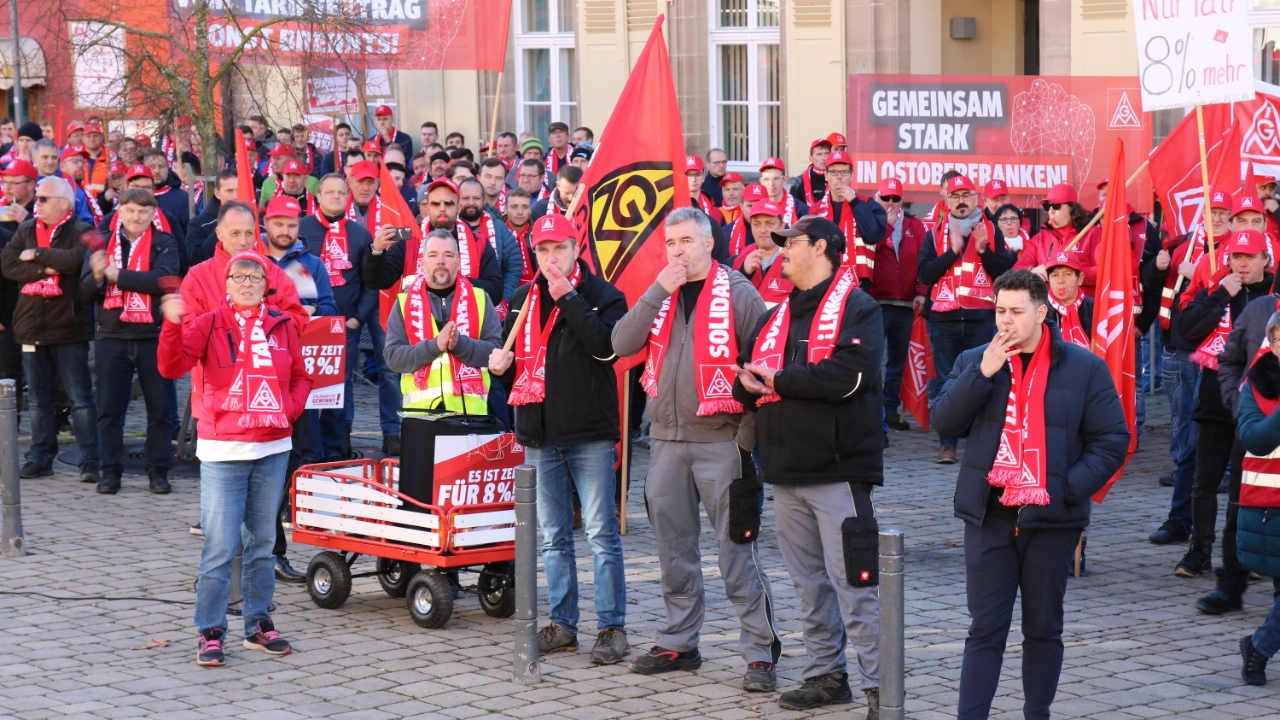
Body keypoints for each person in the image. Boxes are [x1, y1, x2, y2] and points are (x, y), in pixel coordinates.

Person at [930, 269, 1129, 720]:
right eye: (999, 310)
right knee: (985, 629)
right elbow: (944, 422)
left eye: (1016, 312)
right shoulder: (975, 359)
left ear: (1041, 313)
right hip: (990, 515)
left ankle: (1038, 713)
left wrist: (1065, 489)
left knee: (1043, 628)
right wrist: (981, 374)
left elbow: (1112, 440)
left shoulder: (1084, 366)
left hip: (1052, 520)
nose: (1005, 321)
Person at [611, 207, 780, 691]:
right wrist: (656, 290)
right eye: (671, 243)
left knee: (737, 553)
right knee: (674, 551)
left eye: (686, 240)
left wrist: (744, 438)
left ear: (709, 243)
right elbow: (621, 342)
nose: (678, 251)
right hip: (665, 442)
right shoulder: (660, 292)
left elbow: (764, 367)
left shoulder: (740, 294)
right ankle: (679, 642)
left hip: (722, 443)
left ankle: (760, 653)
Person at [732, 215, 882, 715]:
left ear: (820, 248)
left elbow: (848, 376)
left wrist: (778, 380)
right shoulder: (776, 314)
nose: (781, 250)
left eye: (790, 242)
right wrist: (748, 384)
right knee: (810, 587)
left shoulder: (858, 307)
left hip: (838, 472)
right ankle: (825, 676)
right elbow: (750, 376)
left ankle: (881, 687)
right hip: (784, 470)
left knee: (856, 586)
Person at [488, 213, 631, 665]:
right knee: (552, 537)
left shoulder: (604, 295)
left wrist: (568, 296)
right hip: (539, 433)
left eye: (559, 249)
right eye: (543, 250)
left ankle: (611, 627)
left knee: (601, 533)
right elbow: (518, 368)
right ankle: (563, 624)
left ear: (576, 249)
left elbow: (606, 348)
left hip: (589, 432)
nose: (551, 258)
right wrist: (500, 367)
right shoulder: (522, 298)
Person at [158, 252, 312, 667]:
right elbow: (172, 366)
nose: (247, 283)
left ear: (266, 285)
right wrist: (172, 325)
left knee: (262, 544)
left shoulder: (282, 324)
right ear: (226, 285)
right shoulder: (209, 323)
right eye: (238, 276)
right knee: (221, 545)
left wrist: (287, 410)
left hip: (272, 448)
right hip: (224, 448)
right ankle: (210, 629)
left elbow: (301, 376)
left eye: (255, 277)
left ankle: (257, 623)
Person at [1171, 229, 1273, 583]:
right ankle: (1199, 550)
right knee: (1205, 481)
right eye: (1235, 257)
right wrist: (1218, 296)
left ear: (1265, 260)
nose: (1241, 264)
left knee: (1245, 484)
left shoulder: (1274, 296)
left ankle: (1240, 556)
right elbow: (1186, 331)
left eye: (1249, 257)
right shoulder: (1218, 288)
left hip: (1258, 404)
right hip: (1216, 399)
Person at [81, 189, 180, 494]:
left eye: (143, 212)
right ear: (120, 212)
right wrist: (98, 276)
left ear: (153, 215)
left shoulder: (165, 242)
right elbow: (83, 293)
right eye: (131, 210)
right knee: (109, 410)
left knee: (160, 410)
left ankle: (158, 471)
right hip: (111, 336)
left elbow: (163, 280)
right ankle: (110, 471)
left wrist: (116, 275)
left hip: (153, 337)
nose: (136, 217)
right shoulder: (103, 243)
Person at [2, 176, 100, 484]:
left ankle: (90, 459)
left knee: (80, 398)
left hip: (68, 327)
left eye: (44, 199)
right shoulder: (27, 229)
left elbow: (74, 261)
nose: (37, 204)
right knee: (38, 399)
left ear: (64, 203)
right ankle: (41, 457)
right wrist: (44, 268)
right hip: (31, 326)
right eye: (37, 198)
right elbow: (8, 265)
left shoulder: (82, 229)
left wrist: (36, 253)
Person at [917, 174, 1015, 464]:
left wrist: (983, 250)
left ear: (976, 198)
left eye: (966, 195)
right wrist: (953, 250)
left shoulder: (992, 230)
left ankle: (980, 441)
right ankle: (947, 444)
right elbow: (925, 275)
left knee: (984, 379)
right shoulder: (935, 233)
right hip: (943, 321)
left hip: (981, 318)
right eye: (955, 196)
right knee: (947, 381)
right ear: (947, 200)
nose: (961, 201)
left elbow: (1004, 273)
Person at [300, 174, 378, 459]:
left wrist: (357, 319)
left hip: (344, 325)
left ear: (348, 196)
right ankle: (308, 449)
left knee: (339, 386)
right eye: (329, 192)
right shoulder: (301, 229)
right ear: (318, 196)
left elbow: (371, 281)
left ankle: (335, 448)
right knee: (306, 384)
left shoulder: (361, 234)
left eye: (341, 192)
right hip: (306, 324)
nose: (335, 196)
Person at [384, 228, 502, 414]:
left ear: (458, 263)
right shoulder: (403, 303)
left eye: (448, 255)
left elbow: (497, 351)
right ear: (422, 263)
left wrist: (461, 345)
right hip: (420, 415)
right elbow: (393, 358)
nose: (441, 261)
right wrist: (433, 346)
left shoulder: (481, 298)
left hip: (470, 416)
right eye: (433, 255)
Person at [1233, 309, 1280, 686]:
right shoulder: (1255, 386)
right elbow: (1254, 439)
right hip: (1270, 506)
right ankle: (1259, 648)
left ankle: (1258, 647)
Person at [870, 176, 926, 432]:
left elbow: (925, 260)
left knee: (898, 363)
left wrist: (922, 292)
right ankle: (873, 411)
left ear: (902, 199)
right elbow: (867, 252)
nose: (890, 203)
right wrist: (887, 228)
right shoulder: (871, 224)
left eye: (895, 198)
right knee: (873, 360)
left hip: (905, 305)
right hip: (877, 303)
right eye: (885, 198)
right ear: (877, 198)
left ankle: (890, 409)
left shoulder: (915, 225)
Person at [814, 151, 887, 291]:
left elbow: (873, 236)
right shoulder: (815, 211)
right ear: (826, 175)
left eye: (844, 172)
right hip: (823, 279)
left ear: (852, 175)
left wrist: (853, 201)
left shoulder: (868, 204)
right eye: (833, 172)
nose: (839, 177)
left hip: (859, 283)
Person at [1015, 184, 1098, 297]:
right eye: (1047, 206)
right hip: (1047, 304)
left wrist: (1071, 272)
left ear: (1073, 209)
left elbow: (1104, 273)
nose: (1051, 211)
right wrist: (1031, 271)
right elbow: (1017, 270)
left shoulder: (1093, 234)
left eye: (1056, 206)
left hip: (1083, 303)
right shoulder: (1040, 238)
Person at [731, 199, 791, 306]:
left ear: (782, 226)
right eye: (757, 224)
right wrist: (743, 273)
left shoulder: (796, 259)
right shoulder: (738, 259)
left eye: (769, 224)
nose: (763, 230)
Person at [188, 170, 237, 264]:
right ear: (217, 193)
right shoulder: (199, 223)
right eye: (229, 191)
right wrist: (223, 225)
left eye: (239, 190)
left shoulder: (257, 223)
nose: (235, 196)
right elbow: (195, 259)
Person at [1044, 253, 1093, 348]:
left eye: (1067, 274)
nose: (1060, 281)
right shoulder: (1039, 312)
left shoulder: (1096, 309)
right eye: (1054, 275)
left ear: (1080, 279)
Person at [141, 149, 191, 234]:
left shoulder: (182, 198)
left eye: (161, 166)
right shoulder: (135, 196)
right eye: (152, 166)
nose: (157, 171)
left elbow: (190, 233)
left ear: (168, 168)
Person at [503, 187, 536, 285]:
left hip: (536, 289)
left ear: (530, 210)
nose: (520, 212)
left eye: (525, 207)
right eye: (514, 207)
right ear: (505, 209)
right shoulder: (495, 233)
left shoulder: (538, 233)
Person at [759, 157, 805, 225]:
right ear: (761, 181)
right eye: (766, 179)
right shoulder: (754, 206)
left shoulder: (801, 210)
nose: (771, 183)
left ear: (785, 179)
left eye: (776, 178)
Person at [684, 156, 725, 224]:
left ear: (703, 177)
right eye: (689, 175)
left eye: (698, 174)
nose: (693, 179)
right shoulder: (672, 208)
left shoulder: (716, 213)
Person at [791, 137, 830, 207]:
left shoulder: (837, 178)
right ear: (811, 158)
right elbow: (794, 208)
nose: (824, 158)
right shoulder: (799, 182)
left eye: (827, 153)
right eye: (819, 154)